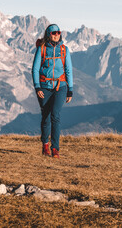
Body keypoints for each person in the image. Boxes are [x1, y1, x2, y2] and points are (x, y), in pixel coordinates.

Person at [32, 24, 73, 159]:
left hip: (60, 86)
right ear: (48, 34)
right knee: (46, 116)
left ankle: (55, 148)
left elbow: (68, 70)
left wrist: (70, 89)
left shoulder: (64, 50)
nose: (56, 35)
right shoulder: (42, 49)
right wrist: (37, 87)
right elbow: (35, 69)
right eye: (54, 33)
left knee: (55, 116)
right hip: (44, 86)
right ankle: (45, 144)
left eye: (58, 32)